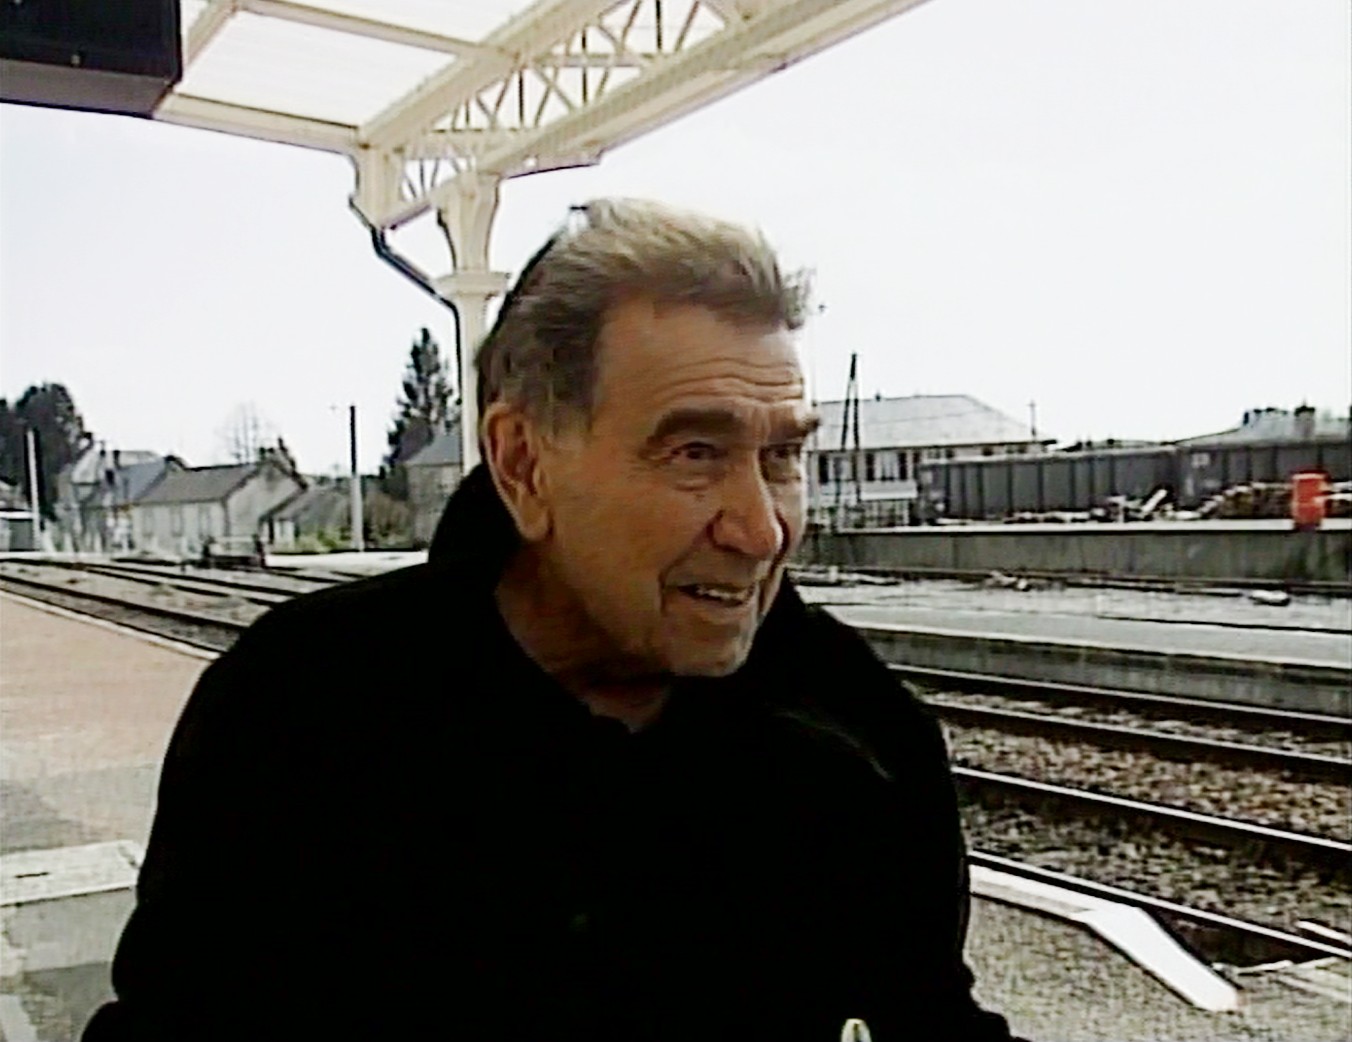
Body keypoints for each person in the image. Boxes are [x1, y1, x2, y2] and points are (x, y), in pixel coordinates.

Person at [84, 199, 1018, 1041]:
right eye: (695, 453)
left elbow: (932, 1025)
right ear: (524, 464)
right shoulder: (304, 711)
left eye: (781, 457)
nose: (762, 528)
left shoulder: (857, 734)